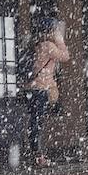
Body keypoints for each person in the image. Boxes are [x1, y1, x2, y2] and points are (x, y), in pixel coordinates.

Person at [25, 17, 69, 167]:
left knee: (34, 122)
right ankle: (39, 156)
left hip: (33, 87)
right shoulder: (48, 46)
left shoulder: (36, 44)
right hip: (41, 88)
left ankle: (36, 153)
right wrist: (59, 39)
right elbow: (65, 56)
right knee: (38, 122)